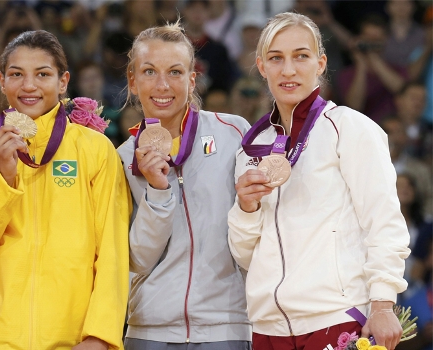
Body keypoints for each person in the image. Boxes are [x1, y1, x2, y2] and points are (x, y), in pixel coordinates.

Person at [228, 12, 410, 350]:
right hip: (268, 327)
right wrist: (246, 208)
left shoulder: (350, 127)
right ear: (261, 66)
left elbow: (384, 221)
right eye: (276, 58)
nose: (288, 70)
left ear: (321, 62)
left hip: (335, 318)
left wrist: (383, 303)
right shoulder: (250, 150)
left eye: (301, 56)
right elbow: (245, 256)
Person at [0, 30, 131, 350]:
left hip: (75, 339)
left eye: (43, 74)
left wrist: (101, 335)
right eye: (16, 75)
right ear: (2, 81)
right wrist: (4, 178)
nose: (29, 86)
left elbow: (113, 250)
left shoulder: (95, 149)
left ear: (63, 82)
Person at [117, 20, 252, 349]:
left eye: (175, 72)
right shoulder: (120, 159)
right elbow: (136, 259)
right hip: (150, 329)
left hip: (227, 326)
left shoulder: (234, 132)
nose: (162, 85)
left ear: (192, 81)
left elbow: (254, 235)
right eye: (149, 72)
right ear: (132, 81)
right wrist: (158, 192)